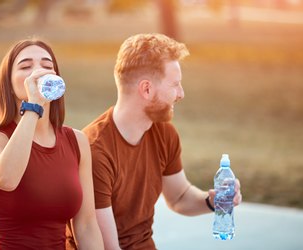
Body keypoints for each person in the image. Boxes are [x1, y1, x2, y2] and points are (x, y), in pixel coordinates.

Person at [81, 33, 242, 249]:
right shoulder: (95, 151)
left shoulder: (164, 133)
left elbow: (179, 197)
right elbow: (107, 246)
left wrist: (211, 201)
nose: (181, 94)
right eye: (175, 84)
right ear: (146, 89)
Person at [0, 38, 104, 250]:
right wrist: (33, 106)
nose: (38, 72)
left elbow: (86, 226)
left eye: (47, 65)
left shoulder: (77, 141)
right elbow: (7, 179)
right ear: (9, 83)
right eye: (26, 66)